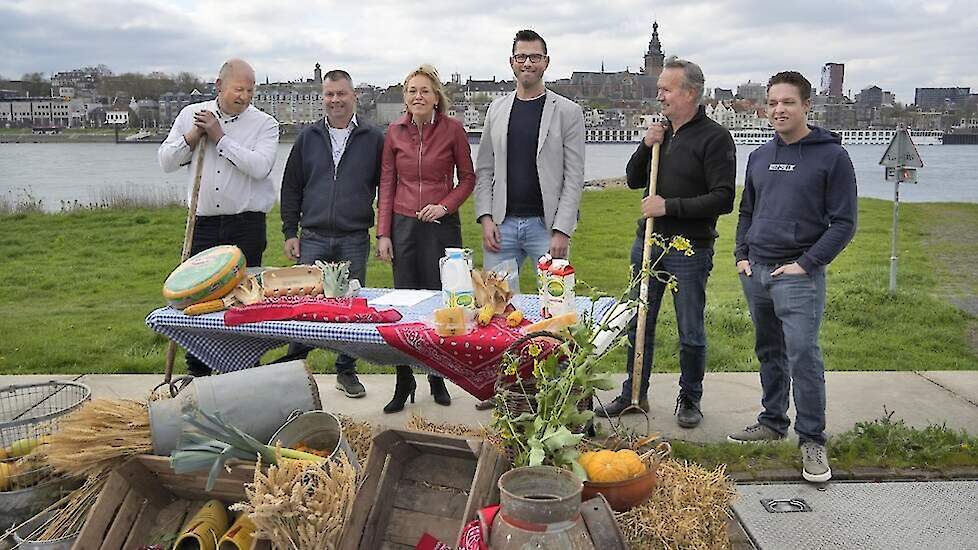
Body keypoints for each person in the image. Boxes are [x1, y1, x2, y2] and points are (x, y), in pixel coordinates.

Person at [727, 71, 857, 484]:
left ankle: (812, 440)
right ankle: (772, 421)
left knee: (803, 355)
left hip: (798, 276)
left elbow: (844, 222)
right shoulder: (759, 156)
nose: (779, 110)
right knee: (769, 350)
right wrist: (742, 255)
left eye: (788, 102)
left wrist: (807, 264)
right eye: (772, 103)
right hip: (757, 271)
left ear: (806, 106)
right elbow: (747, 210)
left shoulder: (832, 157)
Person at [597, 57, 736, 428]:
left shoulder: (715, 138)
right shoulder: (661, 133)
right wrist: (646, 145)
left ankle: (690, 398)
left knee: (690, 329)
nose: (659, 95)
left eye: (666, 89)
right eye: (659, 89)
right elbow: (632, 179)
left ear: (689, 93)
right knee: (639, 322)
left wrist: (668, 206)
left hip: (690, 249)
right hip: (648, 242)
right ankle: (633, 392)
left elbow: (723, 198)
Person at [158, 58, 278, 377]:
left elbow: (259, 167)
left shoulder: (264, 124)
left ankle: (244, 371)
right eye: (239, 89)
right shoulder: (191, 115)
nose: (245, 96)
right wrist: (192, 137)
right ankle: (198, 371)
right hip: (204, 225)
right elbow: (166, 161)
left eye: (250, 90)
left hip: (246, 224)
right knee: (198, 298)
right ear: (219, 86)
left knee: (245, 299)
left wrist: (220, 137)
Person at [278, 69, 385, 398]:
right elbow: (291, 186)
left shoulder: (373, 138)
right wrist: (290, 231)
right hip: (313, 236)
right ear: (322, 97)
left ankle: (346, 370)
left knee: (350, 306)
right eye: (329, 94)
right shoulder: (307, 138)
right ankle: (293, 370)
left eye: (341, 93)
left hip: (354, 237)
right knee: (305, 305)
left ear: (354, 96)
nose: (335, 100)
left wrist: (384, 232)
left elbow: (386, 187)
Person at [376, 64, 476, 413]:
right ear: (405, 97)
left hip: (440, 226)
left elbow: (467, 178)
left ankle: (437, 376)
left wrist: (444, 206)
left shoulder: (453, 130)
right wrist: (383, 233)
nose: (418, 97)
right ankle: (404, 379)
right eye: (412, 91)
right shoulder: (394, 132)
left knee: (439, 303)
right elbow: (387, 182)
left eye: (424, 91)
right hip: (403, 224)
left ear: (436, 97)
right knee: (404, 306)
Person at [474, 29, 585, 287]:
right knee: (496, 304)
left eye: (535, 57)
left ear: (546, 62)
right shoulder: (496, 110)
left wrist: (562, 230)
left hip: (546, 228)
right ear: (511, 62)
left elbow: (574, 177)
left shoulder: (568, 112)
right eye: (521, 57)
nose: (527, 63)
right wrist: (486, 218)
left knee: (556, 301)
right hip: (501, 227)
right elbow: (485, 169)